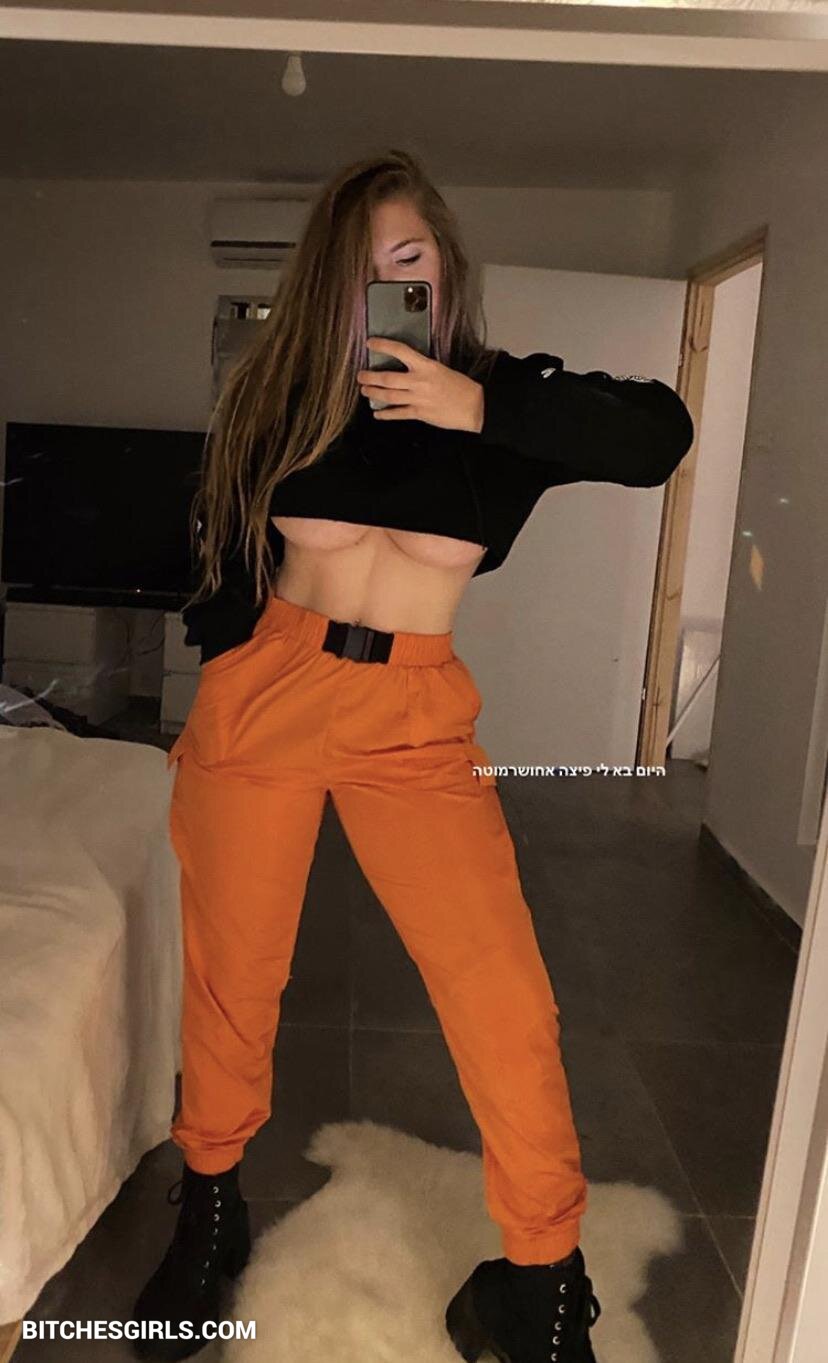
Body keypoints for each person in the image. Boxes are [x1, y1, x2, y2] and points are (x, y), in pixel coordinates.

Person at [131, 148, 694, 1363]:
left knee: (502, 994)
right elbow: (225, 548)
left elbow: (659, 435)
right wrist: (226, 658)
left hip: (415, 717)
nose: (384, 291)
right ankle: (212, 1208)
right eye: (357, 275)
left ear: (443, 269)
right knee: (234, 975)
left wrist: (479, 409)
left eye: (406, 261)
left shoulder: (503, 401)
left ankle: (541, 1279)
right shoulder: (285, 395)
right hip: (269, 695)